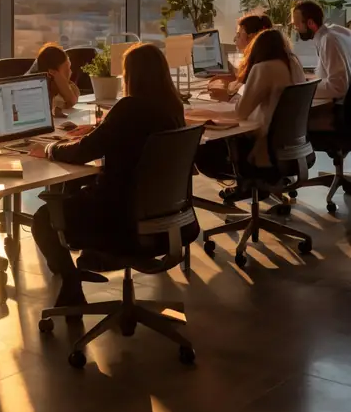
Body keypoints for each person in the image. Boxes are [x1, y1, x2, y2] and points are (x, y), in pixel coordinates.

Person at [31, 43, 194, 307]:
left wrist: (50, 148)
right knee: (76, 191)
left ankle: (71, 283)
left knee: (43, 218)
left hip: (121, 221)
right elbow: (121, 139)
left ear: (133, 76)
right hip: (166, 221)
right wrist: (101, 131)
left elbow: (84, 152)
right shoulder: (173, 109)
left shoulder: (129, 108)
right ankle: (82, 268)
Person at [195, 28, 306, 199]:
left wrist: (226, 96)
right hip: (293, 149)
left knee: (203, 146)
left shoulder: (263, 67)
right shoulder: (293, 64)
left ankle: (248, 184)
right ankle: (255, 187)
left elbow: (241, 112)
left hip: (264, 151)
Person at [291, 0, 351, 103]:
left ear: (310, 23)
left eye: (297, 25)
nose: (296, 29)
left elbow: (338, 87)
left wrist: (301, 89)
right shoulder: (336, 31)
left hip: (341, 109)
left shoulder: (328, 40)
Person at [208, 14, 273, 102]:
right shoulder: (268, 59)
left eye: (238, 35)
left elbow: (247, 103)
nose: (235, 39)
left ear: (252, 37)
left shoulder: (260, 67)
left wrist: (228, 95)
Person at [26, 43, 79, 110]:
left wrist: (64, 85)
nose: (70, 72)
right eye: (66, 70)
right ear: (52, 73)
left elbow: (73, 99)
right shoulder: (35, 89)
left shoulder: (60, 84)